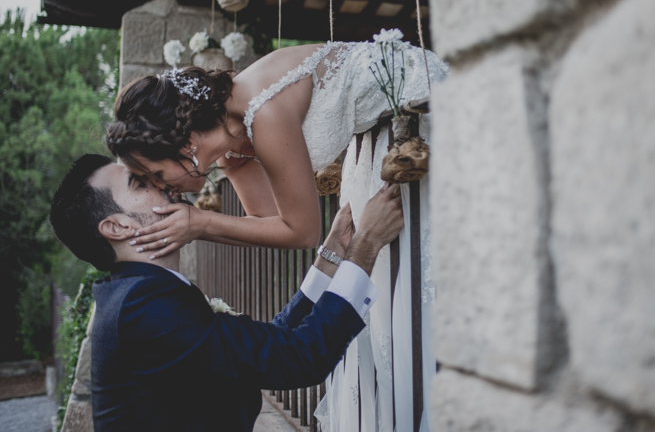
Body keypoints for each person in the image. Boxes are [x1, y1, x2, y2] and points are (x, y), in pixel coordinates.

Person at [49, 153, 405, 432]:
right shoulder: (143, 307)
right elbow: (300, 359)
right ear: (117, 226)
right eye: (140, 183)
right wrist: (368, 244)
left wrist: (329, 261)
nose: (162, 182)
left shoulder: (137, 293)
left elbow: (268, 343)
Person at [105, 32, 447, 257]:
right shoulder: (232, 152)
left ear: (186, 143)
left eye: (155, 173)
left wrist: (200, 223)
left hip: (421, 105)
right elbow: (270, 224)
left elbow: (303, 232)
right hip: (384, 135)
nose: (161, 186)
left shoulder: (262, 112)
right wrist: (191, 230)